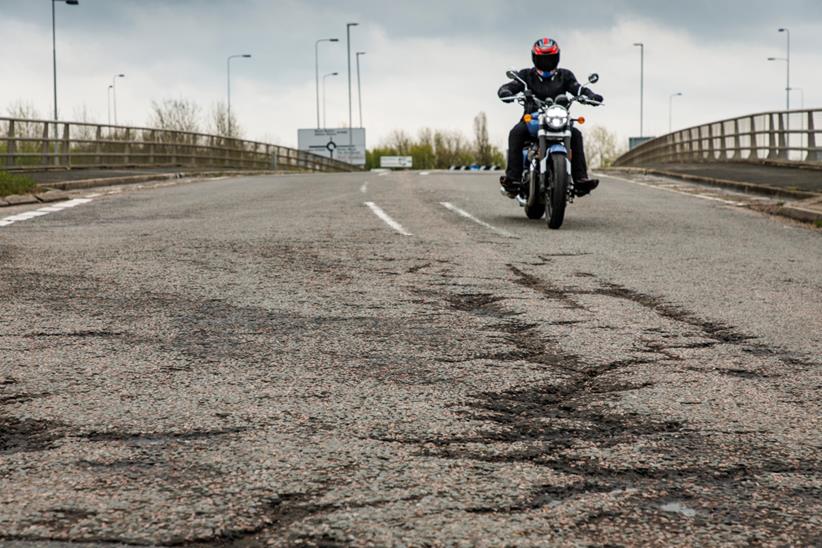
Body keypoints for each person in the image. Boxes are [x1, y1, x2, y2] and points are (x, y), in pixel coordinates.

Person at [498, 38, 603, 197]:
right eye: (543, 58)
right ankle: (513, 180)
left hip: (559, 119)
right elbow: (512, 86)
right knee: (516, 133)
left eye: (550, 58)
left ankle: (580, 179)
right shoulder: (526, 75)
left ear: (557, 57)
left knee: (576, 135)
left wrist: (591, 95)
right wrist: (505, 91)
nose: (546, 61)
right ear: (535, 58)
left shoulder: (565, 75)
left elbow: (578, 88)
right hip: (532, 118)